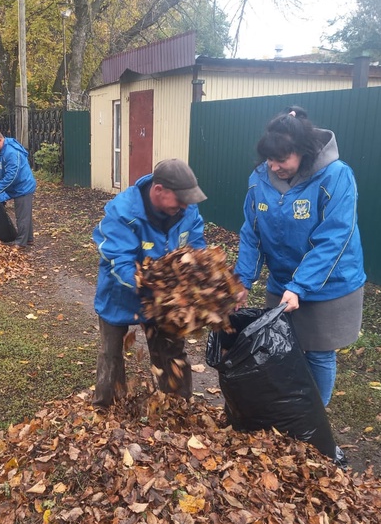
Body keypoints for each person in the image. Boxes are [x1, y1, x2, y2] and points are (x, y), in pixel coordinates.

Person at [234, 106, 366, 406]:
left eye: (281, 160)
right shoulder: (259, 179)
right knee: (281, 347)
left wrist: (300, 286)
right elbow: (252, 231)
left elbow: (335, 236)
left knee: (318, 352)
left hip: (330, 282)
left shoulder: (336, 176)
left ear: (303, 152)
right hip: (282, 280)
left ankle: (314, 417)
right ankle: (290, 407)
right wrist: (242, 279)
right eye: (269, 159)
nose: (274, 166)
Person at [92, 158, 207, 408]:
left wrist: (198, 277)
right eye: (180, 200)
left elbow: (196, 246)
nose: (186, 206)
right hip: (120, 295)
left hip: (165, 299)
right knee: (111, 353)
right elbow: (120, 261)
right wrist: (150, 286)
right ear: (158, 191)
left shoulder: (186, 209)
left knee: (171, 351)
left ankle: (177, 405)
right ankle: (106, 408)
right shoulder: (122, 212)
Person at [0, 129, 36, 248]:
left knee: (22, 216)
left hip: (23, 186)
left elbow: (12, 175)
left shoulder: (11, 153)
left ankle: (21, 242)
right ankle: (29, 239)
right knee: (25, 214)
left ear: (0, 140)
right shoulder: (1, 151)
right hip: (18, 186)